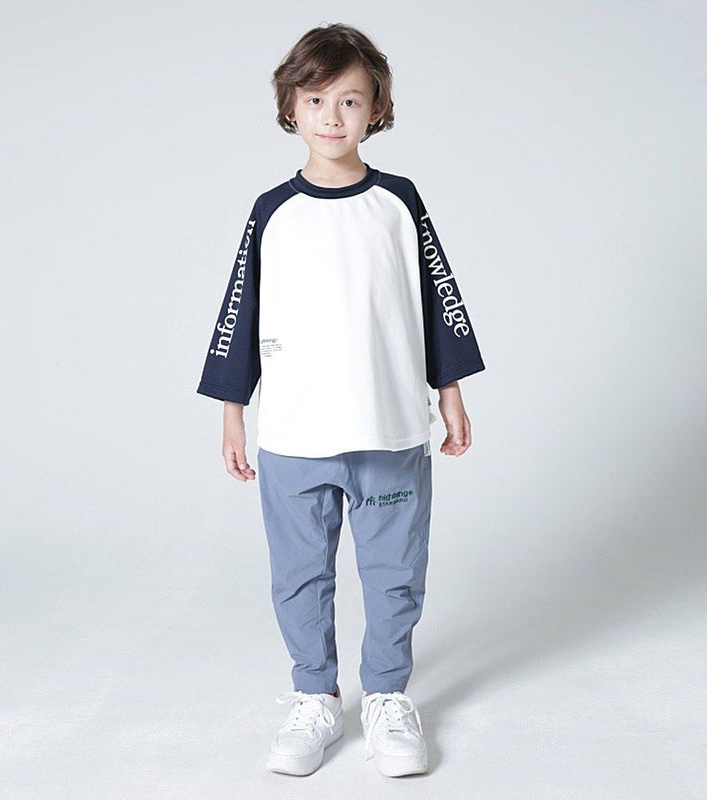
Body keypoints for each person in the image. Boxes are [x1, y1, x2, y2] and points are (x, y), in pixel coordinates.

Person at [197, 22, 485, 778]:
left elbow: (438, 300)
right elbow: (239, 310)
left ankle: (387, 695)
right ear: (290, 106)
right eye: (316, 99)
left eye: (350, 100)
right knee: (300, 575)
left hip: (389, 428)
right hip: (295, 435)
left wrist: (450, 393)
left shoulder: (398, 202)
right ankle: (315, 697)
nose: (332, 116)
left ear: (376, 109)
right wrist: (232, 412)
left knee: (395, 572)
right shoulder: (272, 211)